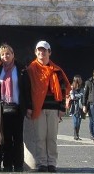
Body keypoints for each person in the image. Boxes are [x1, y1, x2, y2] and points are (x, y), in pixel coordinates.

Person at [22, 41, 69, 173]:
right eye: (39, 50)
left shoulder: (57, 70)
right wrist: (29, 107)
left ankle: (52, 163)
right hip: (38, 108)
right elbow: (29, 90)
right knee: (40, 137)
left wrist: (62, 108)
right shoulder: (31, 69)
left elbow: (63, 89)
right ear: (35, 52)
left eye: (44, 50)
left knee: (52, 137)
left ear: (49, 52)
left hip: (54, 108)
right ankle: (42, 163)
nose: (41, 53)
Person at [0, 44, 25, 172]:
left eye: (8, 54)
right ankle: (7, 164)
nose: (5, 56)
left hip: (17, 107)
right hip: (3, 108)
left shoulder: (21, 69)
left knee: (18, 137)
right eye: (2, 54)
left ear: (13, 55)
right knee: (6, 138)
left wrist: (28, 107)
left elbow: (26, 88)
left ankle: (18, 164)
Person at [68, 75, 85, 141]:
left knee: (79, 122)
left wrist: (76, 96)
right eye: (80, 79)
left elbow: (83, 95)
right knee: (75, 121)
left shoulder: (82, 88)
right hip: (74, 107)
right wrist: (78, 96)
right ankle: (75, 134)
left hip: (80, 106)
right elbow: (72, 97)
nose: (81, 81)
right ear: (77, 80)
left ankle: (77, 134)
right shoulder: (72, 88)